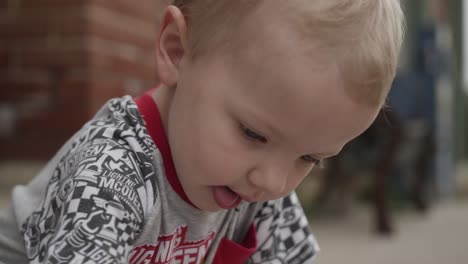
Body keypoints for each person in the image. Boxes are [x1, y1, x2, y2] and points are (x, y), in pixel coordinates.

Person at [0, 0, 404, 263]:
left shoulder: (256, 178)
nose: (274, 181)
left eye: (308, 158)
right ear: (177, 50)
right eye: (251, 133)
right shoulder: (113, 170)